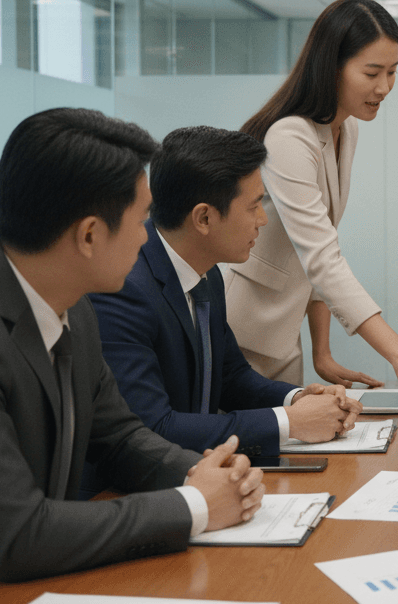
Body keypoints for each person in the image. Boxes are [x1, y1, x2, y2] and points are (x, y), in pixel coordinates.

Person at [0, 108, 264, 603]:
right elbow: (18, 535)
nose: (146, 237)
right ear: (88, 235)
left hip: (36, 577)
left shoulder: (71, 306)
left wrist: (204, 473)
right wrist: (193, 505)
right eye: (140, 220)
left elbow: (120, 437)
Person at [226, 0, 398, 418]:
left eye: (392, 72)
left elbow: (319, 243)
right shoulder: (288, 136)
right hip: (241, 332)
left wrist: (323, 350)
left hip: (281, 334)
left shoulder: (344, 128)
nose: (384, 87)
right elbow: (323, 260)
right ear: (331, 67)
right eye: (372, 73)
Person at [87, 126, 363, 483]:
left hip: (200, 475)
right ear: (204, 218)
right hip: (128, 490)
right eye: (254, 207)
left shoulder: (206, 271)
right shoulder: (124, 288)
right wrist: (289, 423)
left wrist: (298, 398)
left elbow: (231, 377)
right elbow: (152, 427)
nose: (263, 220)